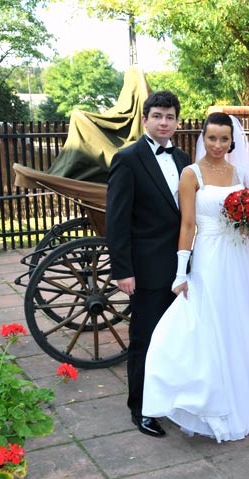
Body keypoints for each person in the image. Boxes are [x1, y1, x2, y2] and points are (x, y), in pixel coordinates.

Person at [141, 112, 249, 442]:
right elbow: (188, 225)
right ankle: (205, 401)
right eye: (212, 138)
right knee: (205, 325)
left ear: (232, 141)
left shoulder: (239, 173)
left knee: (239, 325)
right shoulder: (191, 173)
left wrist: (248, 224)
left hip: (237, 257)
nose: (217, 144)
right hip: (209, 257)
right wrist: (180, 273)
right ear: (203, 137)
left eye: (224, 139)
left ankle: (238, 402)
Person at [105, 90, 191, 438]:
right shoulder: (127, 159)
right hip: (146, 268)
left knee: (177, 340)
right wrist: (123, 270)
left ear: (177, 121)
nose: (164, 122)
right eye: (157, 116)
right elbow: (117, 220)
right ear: (145, 120)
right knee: (146, 340)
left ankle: (171, 400)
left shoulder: (183, 159)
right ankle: (140, 409)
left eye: (170, 117)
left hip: (183, 267)